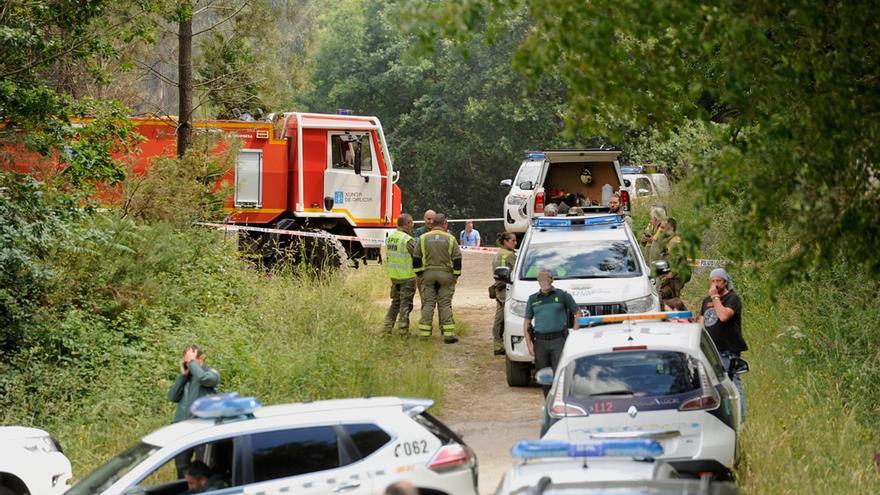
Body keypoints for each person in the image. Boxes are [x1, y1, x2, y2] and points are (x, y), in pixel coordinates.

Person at [697, 268, 747, 420]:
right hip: (711, 350)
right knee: (714, 386)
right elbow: (701, 322)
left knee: (731, 384)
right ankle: (724, 417)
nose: (715, 284)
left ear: (725, 282)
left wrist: (715, 298)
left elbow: (724, 316)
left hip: (727, 350)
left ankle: (740, 417)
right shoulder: (707, 300)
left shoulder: (732, 299)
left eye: (718, 281)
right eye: (712, 281)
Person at [524, 271, 580, 395]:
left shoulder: (562, 295)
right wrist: (529, 344)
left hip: (558, 340)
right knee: (544, 376)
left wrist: (574, 335)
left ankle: (561, 401)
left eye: (546, 279)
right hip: (540, 342)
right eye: (541, 279)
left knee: (560, 373)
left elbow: (577, 313)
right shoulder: (533, 299)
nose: (544, 282)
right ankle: (548, 403)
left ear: (552, 280)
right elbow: (526, 323)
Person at [168, 345, 220, 477]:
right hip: (182, 428)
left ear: (201, 358)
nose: (189, 363)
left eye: (192, 359)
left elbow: (205, 379)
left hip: (202, 427)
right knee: (181, 467)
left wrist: (191, 363)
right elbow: (172, 396)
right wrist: (183, 376)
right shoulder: (186, 378)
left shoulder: (210, 373)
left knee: (203, 466)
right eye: (186, 360)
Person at [413, 213, 462, 343]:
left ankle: (424, 333)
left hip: (428, 275)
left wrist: (420, 275)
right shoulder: (451, 239)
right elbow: (457, 260)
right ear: (444, 223)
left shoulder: (423, 238)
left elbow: (416, 259)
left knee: (428, 303)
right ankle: (448, 334)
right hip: (446, 275)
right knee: (444, 304)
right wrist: (455, 276)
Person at [383, 213, 417, 337]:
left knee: (395, 303)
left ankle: (387, 327)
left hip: (394, 277)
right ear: (407, 224)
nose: (413, 224)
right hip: (407, 277)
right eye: (411, 222)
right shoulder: (407, 239)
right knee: (405, 304)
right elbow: (417, 256)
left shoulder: (391, 237)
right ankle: (403, 331)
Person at [491, 232, 517, 356]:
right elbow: (518, 271)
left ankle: (498, 344)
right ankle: (499, 344)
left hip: (499, 289)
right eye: (513, 241)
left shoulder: (498, 253)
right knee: (504, 318)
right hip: (507, 290)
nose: (515, 243)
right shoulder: (510, 255)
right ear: (506, 242)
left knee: (499, 318)